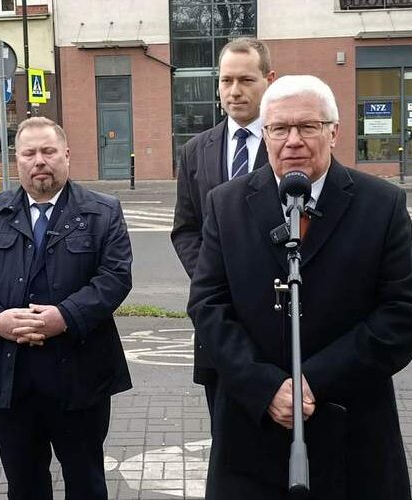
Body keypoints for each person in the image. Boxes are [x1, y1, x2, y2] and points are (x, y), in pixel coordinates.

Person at [187, 75, 412, 499]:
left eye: (308, 127)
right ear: (265, 135)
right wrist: (264, 386)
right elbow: (208, 305)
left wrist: (314, 381)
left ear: (333, 132)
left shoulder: (381, 205)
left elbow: (404, 312)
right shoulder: (225, 204)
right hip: (251, 429)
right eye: (280, 128)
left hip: (353, 430)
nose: (293, 141)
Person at [0, 117, 133, 500]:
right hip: (9, 377)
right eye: (29, 153)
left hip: (80, 376)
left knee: (86, 483)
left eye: (48, 151)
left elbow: (114, 278)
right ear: (17, 159)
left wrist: (64, 317)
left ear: (66, 154)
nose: (39, 161)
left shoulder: (102, 212)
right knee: (24, 484)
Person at [171, 37, 276, 421]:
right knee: (225, 431)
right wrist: (212, 276)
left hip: (274, 312)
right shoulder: (195, 151)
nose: (234, 91)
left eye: (246, 80)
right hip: (218, 314)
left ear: (269, 80)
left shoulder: (288, 143)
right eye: (226, 80)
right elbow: (185, 229)